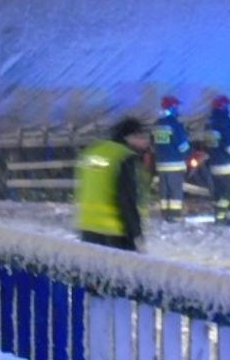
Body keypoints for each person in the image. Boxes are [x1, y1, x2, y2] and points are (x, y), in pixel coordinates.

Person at [74, 116, 152, 251]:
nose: (146, 143)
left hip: (87, 227)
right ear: (131, 136)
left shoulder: (92, 151)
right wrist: (136, 235)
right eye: (142, 137)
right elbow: (127, 199)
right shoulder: (124, 157)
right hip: (114, 232)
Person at [152, 95, 190, 221]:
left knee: (164, 190)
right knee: (175, 190)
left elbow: (153, 145)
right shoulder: (174, 124)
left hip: (161, 164)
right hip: (175, 163)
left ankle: (165, 214)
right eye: (176, 106)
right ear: (172, 107)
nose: (178, 108)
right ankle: (174, 215)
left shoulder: (156, 125)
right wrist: (187, 155)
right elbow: (183, 146)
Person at [204, 94, 230, 225]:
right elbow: (229, 144)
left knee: (219, 194)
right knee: (226, 194)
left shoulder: (209, 124)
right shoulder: (224, 123)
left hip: (214, 164)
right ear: (223, 107)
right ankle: (221, 217)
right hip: (226, 165)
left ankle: (219, 216)